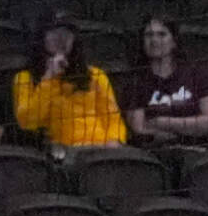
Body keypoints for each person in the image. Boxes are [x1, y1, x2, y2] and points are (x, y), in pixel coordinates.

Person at [10, 12, 125, 153]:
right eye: (54, 32)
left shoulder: (96, 74)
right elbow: (27, 122)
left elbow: (113, 119)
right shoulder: (24, 78)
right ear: (42, 37)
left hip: (101, 148)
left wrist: (114, 141)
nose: (61, 38)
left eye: (66, 33)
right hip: (61, 152)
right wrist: (49, 78)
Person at [119, 16, 208, 151]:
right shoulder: (135, 80)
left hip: (201, 149)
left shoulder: (197, 73)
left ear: (174, 42)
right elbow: (139, 128)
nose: (154, 40)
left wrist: (161, 122)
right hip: (155, 151)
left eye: (162, 34)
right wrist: (191, 126)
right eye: (149, 35)